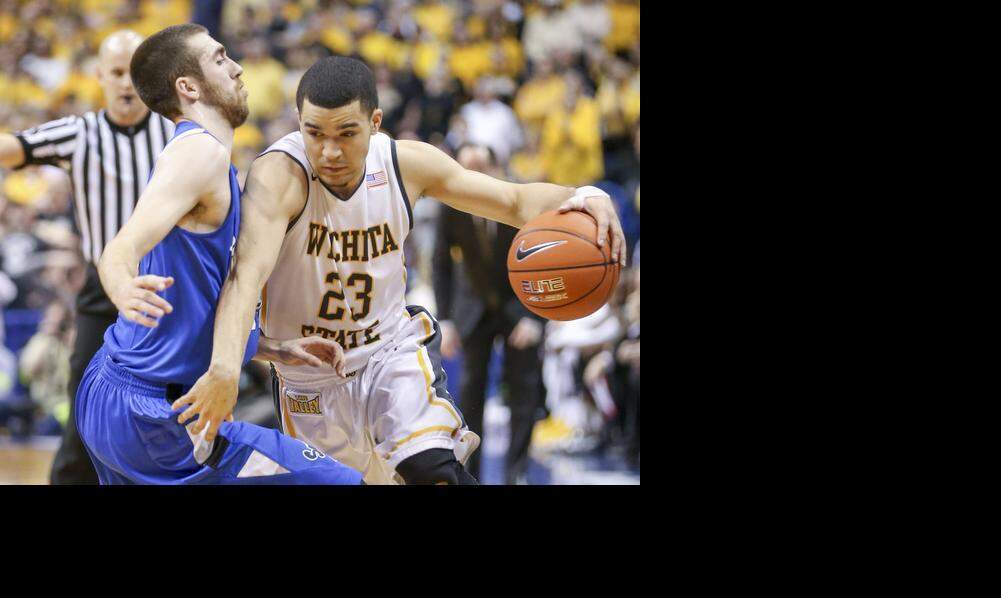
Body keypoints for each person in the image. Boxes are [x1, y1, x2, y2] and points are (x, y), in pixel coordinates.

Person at [175, 55, 625, 485]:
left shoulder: (404, 163)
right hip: (310, 377)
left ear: (375, 123)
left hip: (389, 350)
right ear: (298, 122)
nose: (329, 151)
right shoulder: (279, 176)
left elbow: (512, 201)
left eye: (346, 134)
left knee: (434, 470)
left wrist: (587, 194)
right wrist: (224, 371)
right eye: (314, 133)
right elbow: (245, 278)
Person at [75, 24, 362, 485]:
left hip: (118, 396)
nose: (238, 67)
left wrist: (270, 348)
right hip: (153, 412)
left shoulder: (209, 159)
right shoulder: (199, 154)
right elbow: (120, 248)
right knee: (339, 481)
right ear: (187, 87)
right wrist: (124, 285)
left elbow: (196, 302)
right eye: (220, 58)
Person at [0, 30, 177, 484]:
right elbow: (12, 148)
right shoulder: (80, 132)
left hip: (170, 287)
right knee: (84, 407)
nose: (125, 83)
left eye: (135, 73)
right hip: (103, 292)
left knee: (174, 411)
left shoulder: (178, 134)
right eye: (116, 73)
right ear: (99, 76)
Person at [433, 143, 544, 483]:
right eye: (466, 168)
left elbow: (544, 260)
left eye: (480, 166)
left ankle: (517, 473)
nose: (473, 175)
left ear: (496, 168)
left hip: (518, 306)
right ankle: (471, 474)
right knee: (470, 392)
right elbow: (440, 263)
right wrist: (447, 320)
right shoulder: (452, 204)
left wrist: (535, 317)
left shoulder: (519, 199)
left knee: (524, 390)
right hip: (473, 308)